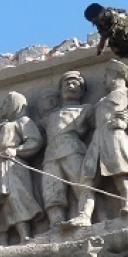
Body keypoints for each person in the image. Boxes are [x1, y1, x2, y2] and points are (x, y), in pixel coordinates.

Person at [79, 59, 128, 222]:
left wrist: (127, 124)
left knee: (122, 176)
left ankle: (127, 207)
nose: (104, 79)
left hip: (116, 138)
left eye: (106, 75)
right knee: (87, 180)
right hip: (97, 142)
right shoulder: (100, 101)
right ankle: (83, 216)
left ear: (115, 76)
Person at [0, 91, 44, 245]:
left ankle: (25, 234)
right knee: (1, 205)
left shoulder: (23, 121)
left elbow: (34, 141)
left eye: (4, 104)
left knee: (16, 197)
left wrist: (16, 150)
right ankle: (3, 241)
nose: (1, 108)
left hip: (13, 165)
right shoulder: (0, 127)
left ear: (14, 105)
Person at [37, 71, 93, 228]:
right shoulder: (49, 117)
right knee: (52, 191)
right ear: (60, 91)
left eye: (75, 83)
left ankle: (86, 216)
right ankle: (56, 224)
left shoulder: (85, 109)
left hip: (72, 147)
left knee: (83, 184)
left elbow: (101, 126)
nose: (70, 86)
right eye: (66, 83)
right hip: (50, 155)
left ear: (82, 91)